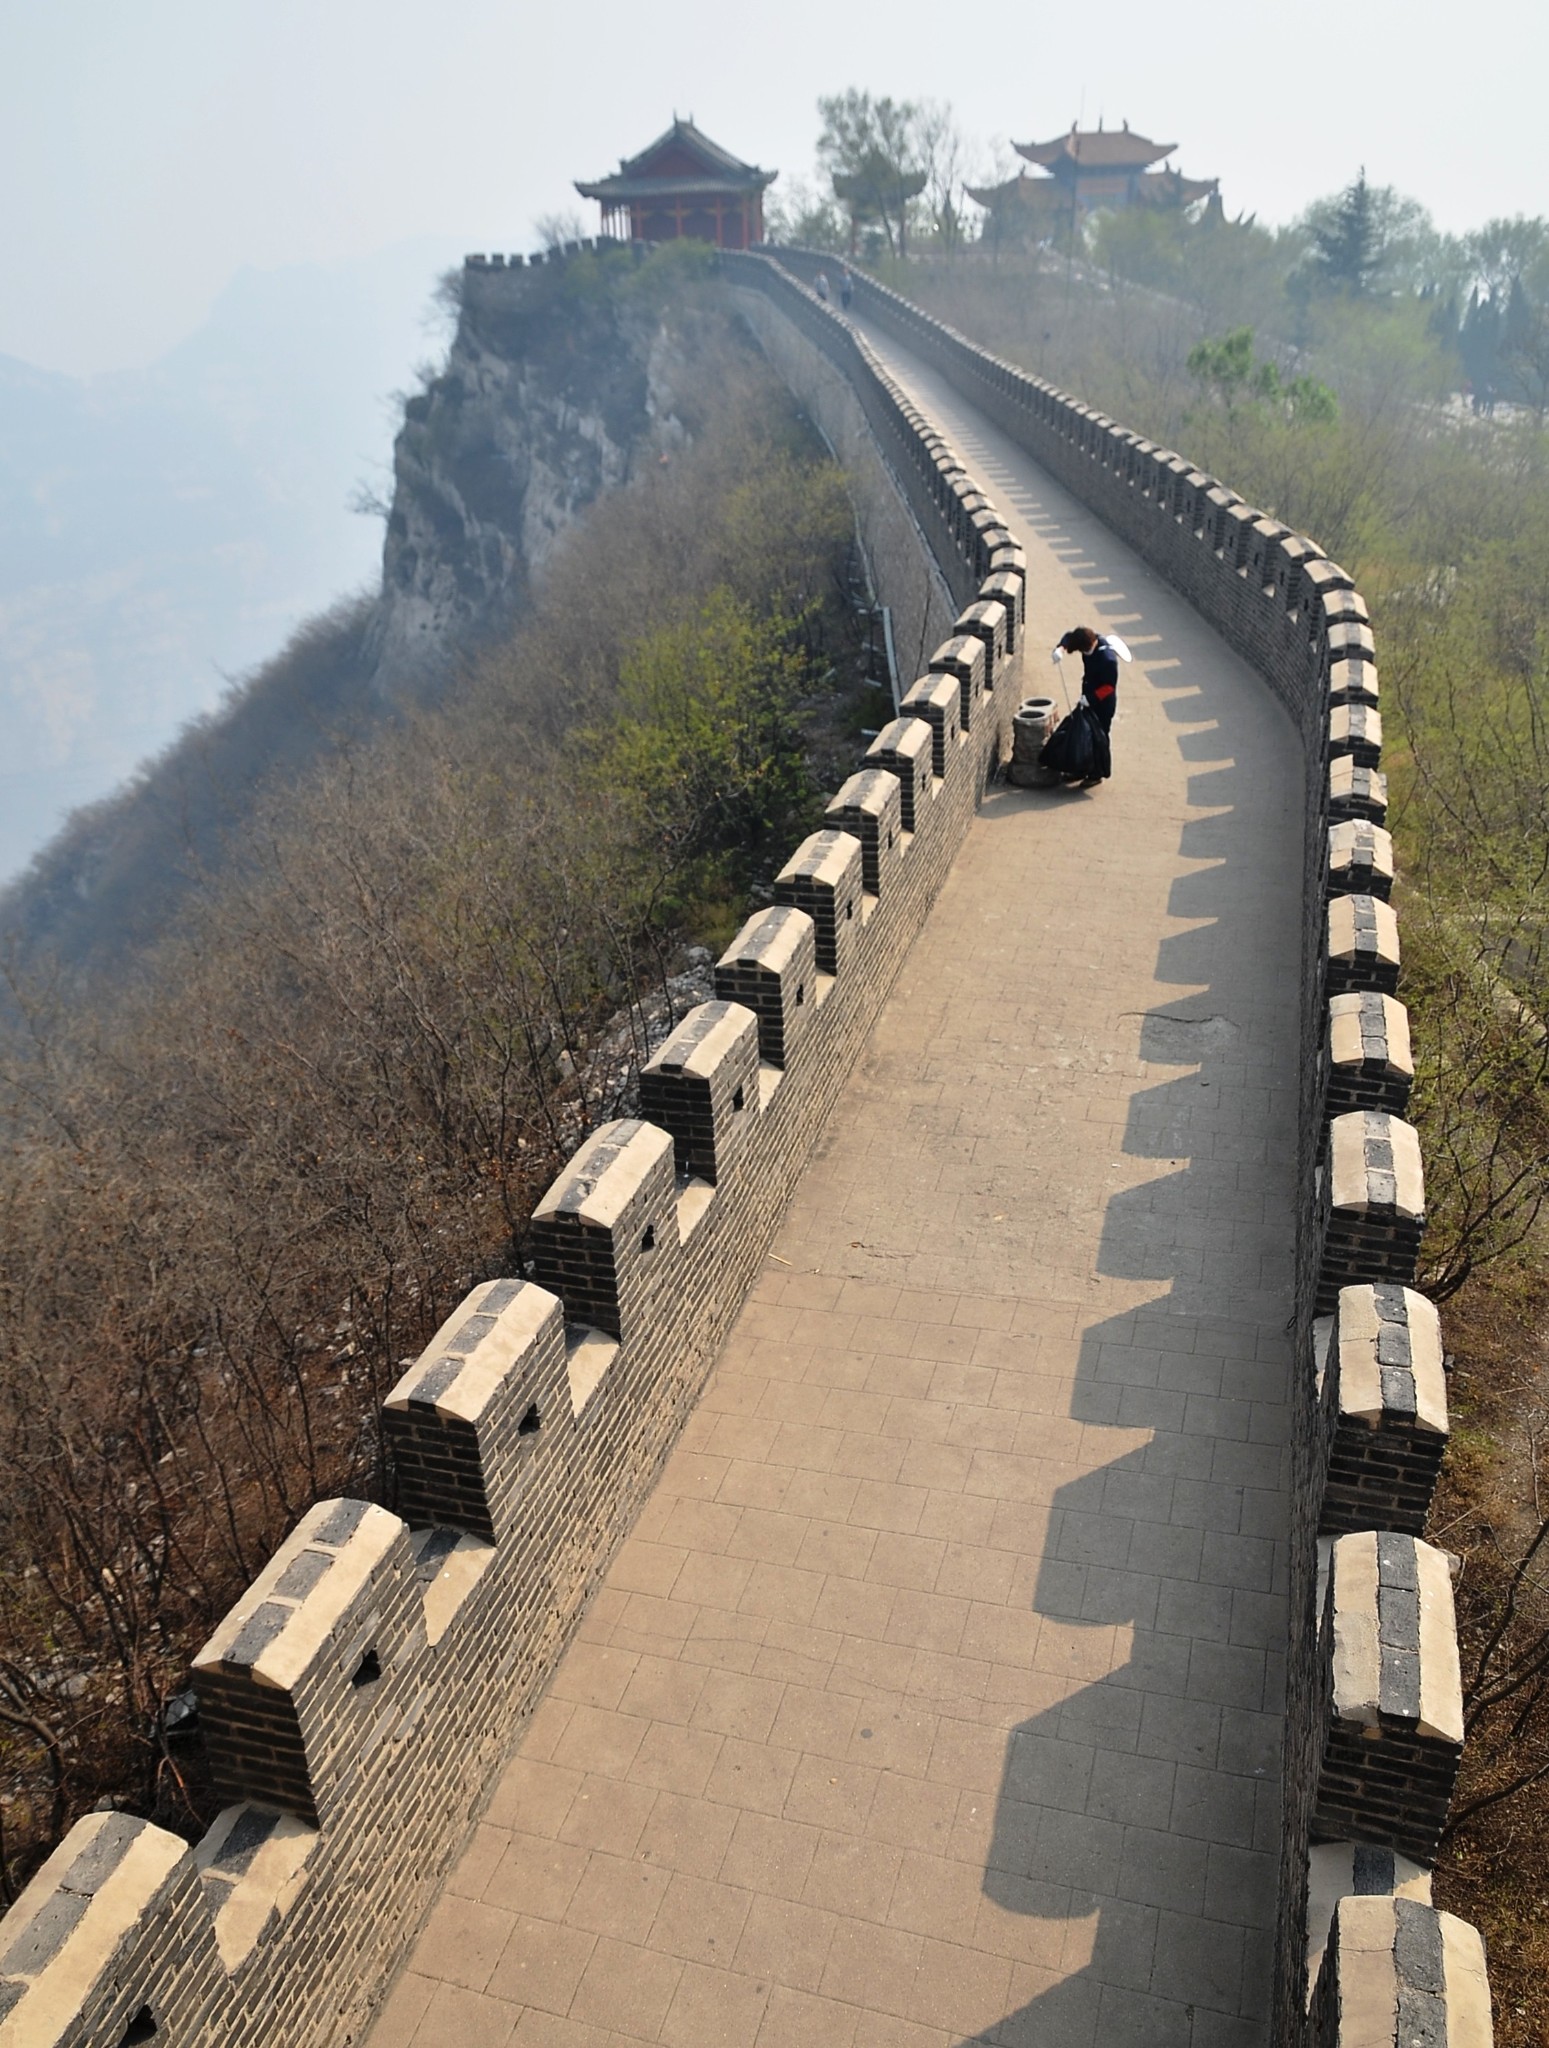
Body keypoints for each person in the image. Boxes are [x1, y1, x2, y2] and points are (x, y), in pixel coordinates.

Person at [1056, 626, 1119, 784]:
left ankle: (1096, 774)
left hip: (1102, 704)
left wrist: (1091, 699)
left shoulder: (1107, 659)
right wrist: (1060, 649)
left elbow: (1109, 686)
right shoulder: (1088, 638)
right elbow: (1069, 636)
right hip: (1088, 696)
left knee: (1099, 737)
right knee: (1083, 735)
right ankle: (1080, 769)